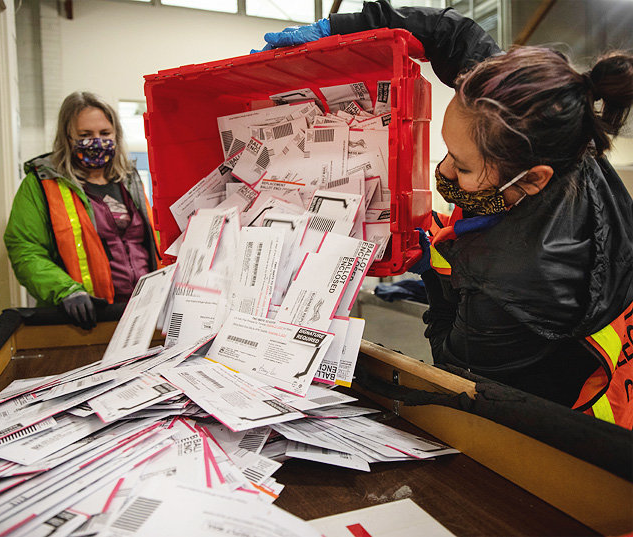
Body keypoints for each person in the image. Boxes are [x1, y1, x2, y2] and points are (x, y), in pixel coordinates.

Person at [255, 2, 633, 428]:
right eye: (448, 150)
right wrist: (341, 29)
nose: (444, 171)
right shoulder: (545, 123)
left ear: (531, 180)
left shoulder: (514, 287)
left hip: (565, 425)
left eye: (463, 165)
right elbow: (451, 33)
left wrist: (435, 274)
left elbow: (457, 371)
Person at [4, 91, 160, 330]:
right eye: (85, 135)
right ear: (68, 137)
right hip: (83, 320)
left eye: (105, 133)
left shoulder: (129, 180)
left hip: (140, 314)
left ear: (116, 134)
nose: (97, 141)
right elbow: (25, 248)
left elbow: (150, 242)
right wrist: (65, 290)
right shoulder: (42, 183)